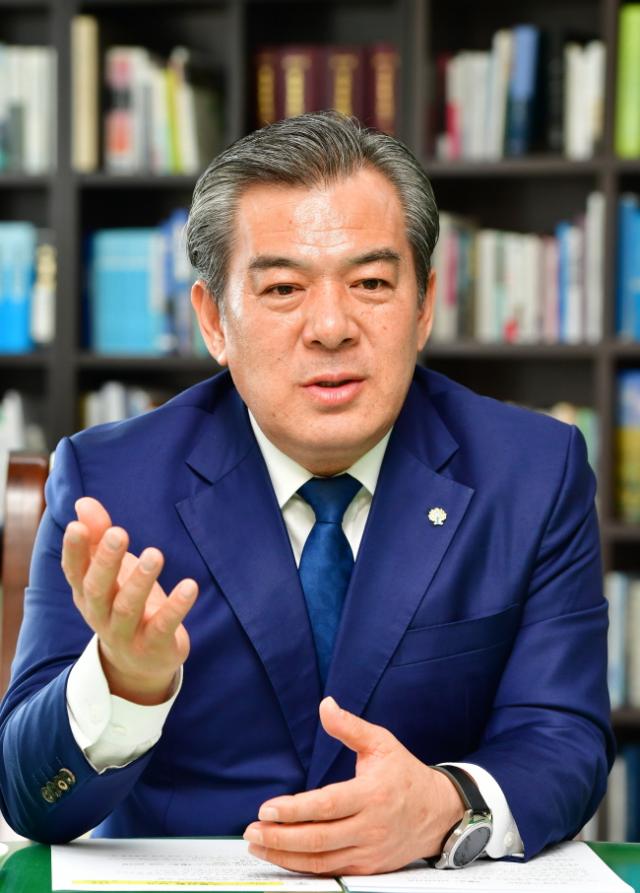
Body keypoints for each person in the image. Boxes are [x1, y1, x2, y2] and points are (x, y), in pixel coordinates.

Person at [0, 111, 613, 873]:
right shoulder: (111, 482)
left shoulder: (533, 469)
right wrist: (125, 681)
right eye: (284, 287)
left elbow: (565, 736)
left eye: (371, 283)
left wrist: (449, 803)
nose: (330, 326)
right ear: (213, 320)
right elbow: (30, 797)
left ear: (424, 305)